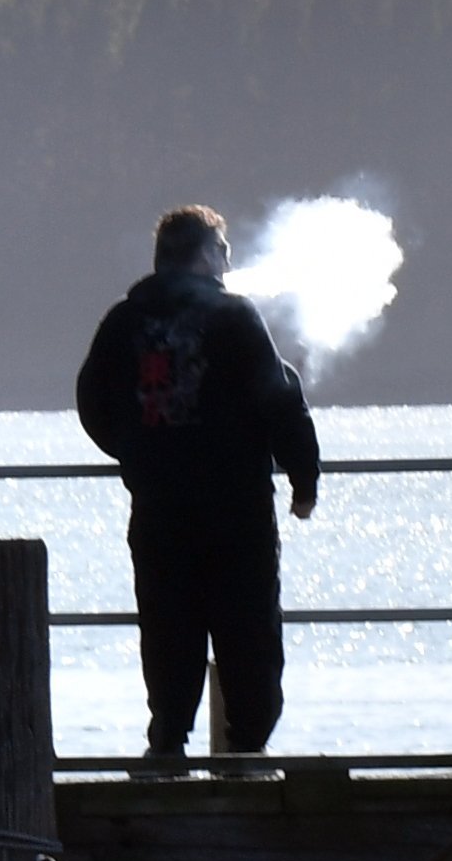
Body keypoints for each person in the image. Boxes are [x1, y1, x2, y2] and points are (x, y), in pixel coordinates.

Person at [74, 204, 321, 767]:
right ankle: (247, 748)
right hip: (236, 507)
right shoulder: (234, 317)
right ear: (207, 254)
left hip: (159, 506)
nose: (229, 262)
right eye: (224, 251)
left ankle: (167, 744)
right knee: (248, 628)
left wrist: (137, 454)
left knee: (168, 627)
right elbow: (280, 399)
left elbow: (92, 400)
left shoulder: (122, 322)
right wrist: (303, 483)